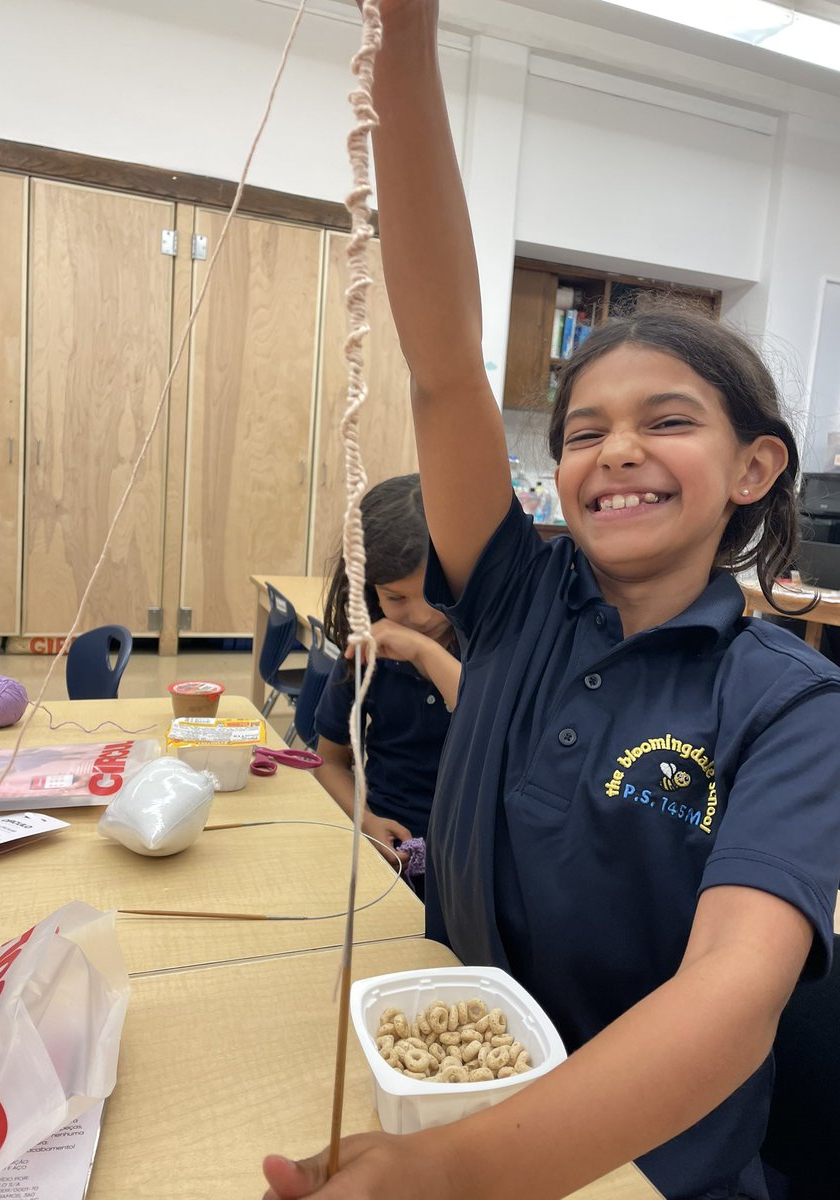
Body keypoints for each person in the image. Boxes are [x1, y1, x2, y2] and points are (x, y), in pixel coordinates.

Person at [262, 4, 840, 1199]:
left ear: (753, 469)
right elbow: (440, 363)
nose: (616, 451)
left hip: (650, 1167)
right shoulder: (519, 599)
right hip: (450, 1094)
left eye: (667, 422)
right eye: (586, 432)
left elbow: (728, 1007)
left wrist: (450, 1171)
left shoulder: (793, 706)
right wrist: (407, 41)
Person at [313, 473, 460, 890]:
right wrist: (365, 820)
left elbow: (492, 727)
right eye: (395, 597)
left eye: (437, 592)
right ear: (368, 590)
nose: (422, 616)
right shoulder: (366, 653)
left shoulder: (493, 646)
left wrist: (424, 652)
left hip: (472, 855)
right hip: (387, 848)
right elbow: (328, 759)